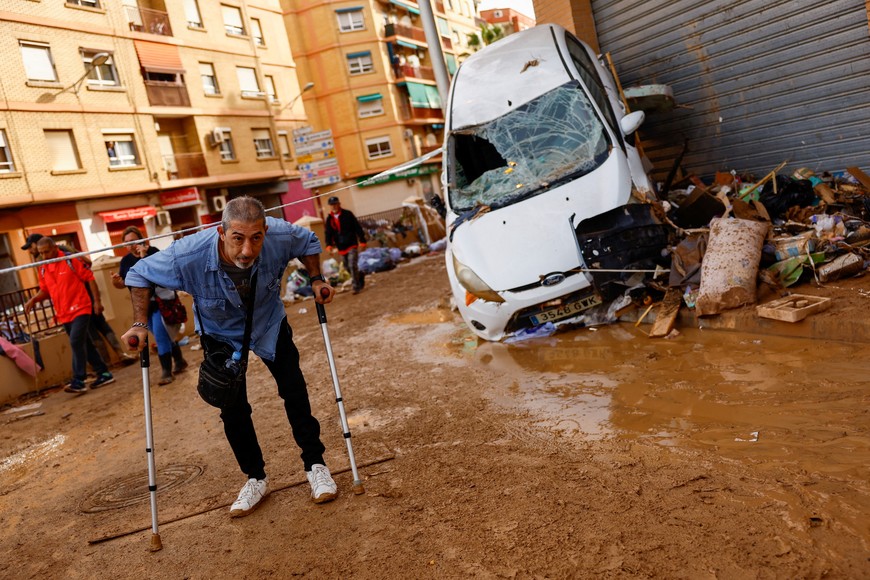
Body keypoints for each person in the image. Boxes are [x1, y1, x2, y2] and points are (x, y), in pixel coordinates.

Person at [121, 196, 339, 517]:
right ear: (222, 233)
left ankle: (315, 465)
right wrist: (140, 324)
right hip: (219, 332)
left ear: (265, 230)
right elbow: (138, 274)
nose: (247, 250)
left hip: (268, 324)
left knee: (294, 391)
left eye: (256, 238)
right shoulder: (188, 254)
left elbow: (309, 240)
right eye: (238, 238)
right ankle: (255, 478)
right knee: (233, 408)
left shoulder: (279, 235)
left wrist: (317, 278)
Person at [22, 232, 134, 366]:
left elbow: (87, 265)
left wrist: (89, 292)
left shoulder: (61, 253)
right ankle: (108, 362)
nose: (30, 250)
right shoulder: (47, 260)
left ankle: (112, 359)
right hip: (75, 301)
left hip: (82, 297)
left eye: (31, 246)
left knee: (95, 327)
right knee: (94, 328)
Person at [23, 237, 114, 393]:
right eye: (40, 253)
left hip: (81, 308)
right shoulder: (43, 267)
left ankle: (78, 380)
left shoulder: (69, 259)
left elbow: (90, 278)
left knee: (75, 341)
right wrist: (34, 299)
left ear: (54, 248)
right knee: (83, 343)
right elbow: (45, 290)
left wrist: (97, 302)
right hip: (63, 313)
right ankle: (104, 373)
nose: (43, 256)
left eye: (46, 252)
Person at [111, 226, 188, 385]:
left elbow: (158, 274)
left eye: (133, 241)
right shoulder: (125, 261)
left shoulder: (153, 252)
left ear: (142, 239)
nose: (131, 245)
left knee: (160, 336)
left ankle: (166, 371)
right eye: (127, 243)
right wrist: (117, 283)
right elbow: (128, 283)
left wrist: (143, 257)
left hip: (161, 301)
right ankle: (180, 361)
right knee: (164, 335)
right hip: (144, 307)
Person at [324, 196, 367, 294]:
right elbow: (328, 233)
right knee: (347, 266)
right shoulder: (329, 219)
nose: (334, 206)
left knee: (352, 265)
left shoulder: (348, 214)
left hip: (352, 244)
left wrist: (362, 240)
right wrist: (328, 245)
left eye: (335, 204)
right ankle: (359, 275)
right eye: (332, 205)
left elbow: (357, 227)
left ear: (339, 204)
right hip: (341, 247)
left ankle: (356, 286)